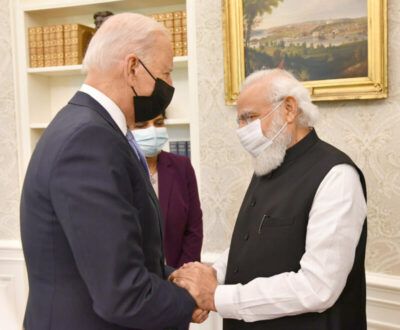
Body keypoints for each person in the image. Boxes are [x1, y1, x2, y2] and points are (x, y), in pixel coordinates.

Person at [20, 13, 208, 330]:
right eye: (165, 73)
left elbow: (116, 253)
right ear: (132, 67)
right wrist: (194, 297)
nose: (170, 86)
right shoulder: (89, 140)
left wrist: (174, 278)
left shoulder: (91, 127)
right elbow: (121, 293)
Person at [171, 69, 368, 330]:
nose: (241, 130)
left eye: (249, 118)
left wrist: (217, 296)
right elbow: (253, 242)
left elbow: (318, 287)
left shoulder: (337, 176)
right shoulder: (269, 162)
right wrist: (213, 274)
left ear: (289, 109)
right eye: (239, 121)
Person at [130, 110, 203, 269]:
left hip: (179, 275)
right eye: (141, 125)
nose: (153, 131)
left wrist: (181, 275)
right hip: (137, 280)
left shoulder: (182, 166)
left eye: (158, 123)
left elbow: (194, 229)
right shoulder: (121, 170)